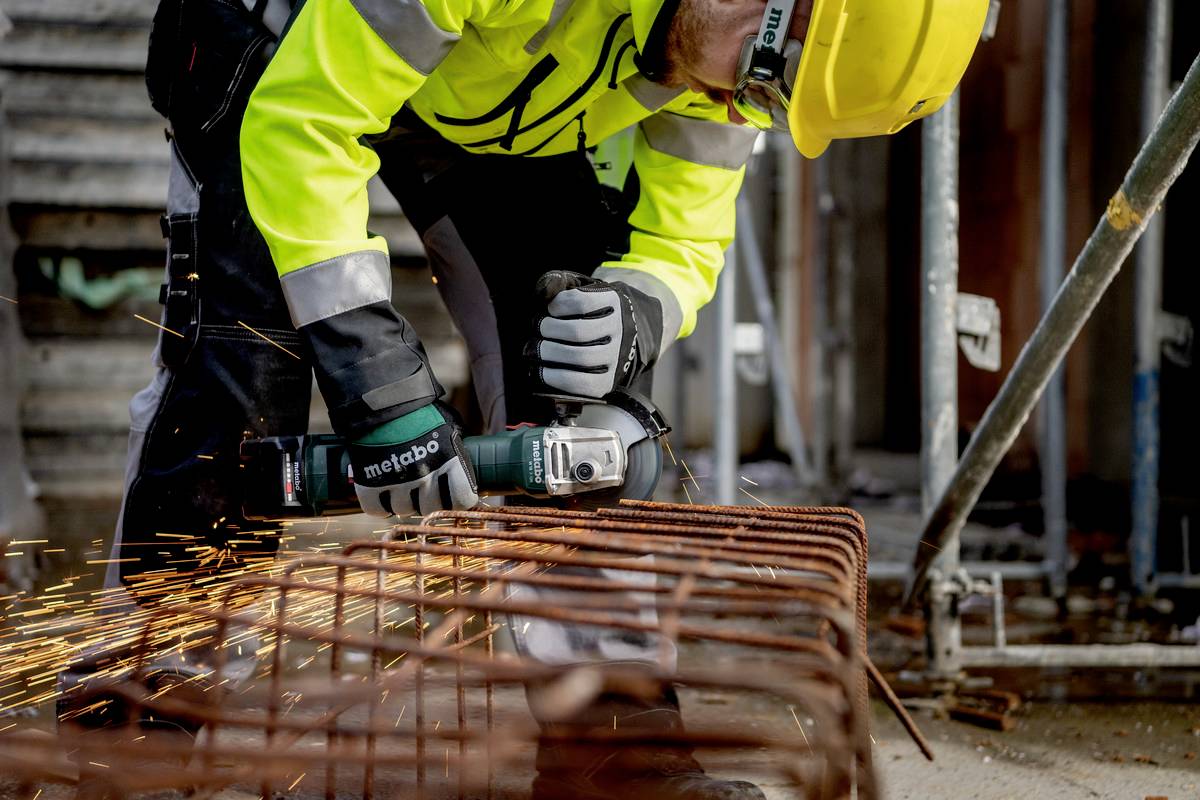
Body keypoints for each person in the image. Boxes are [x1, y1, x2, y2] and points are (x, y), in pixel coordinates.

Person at [66, 0, 989, 796]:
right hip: (280, 47)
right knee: (240, 361)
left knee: (583, 379)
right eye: (764, 76)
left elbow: (684, 229)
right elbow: (302, 125)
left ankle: (610, 740)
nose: (744, 104)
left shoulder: (734, 59)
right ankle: (144, 716)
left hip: (489, 87)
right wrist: (375, 380)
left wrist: (640, 308)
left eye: (774, 100)